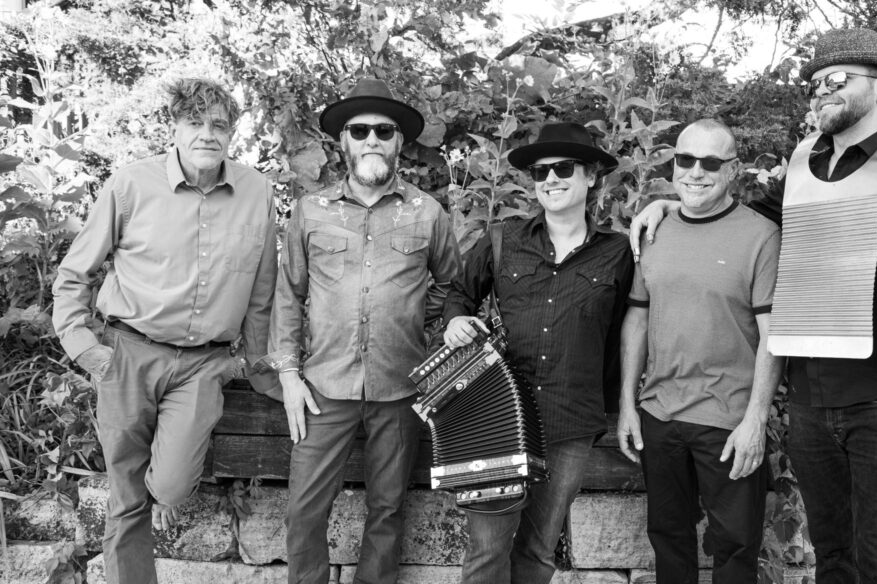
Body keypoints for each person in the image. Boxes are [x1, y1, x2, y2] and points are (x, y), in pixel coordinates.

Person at [630, 28, 877, 583]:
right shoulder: (801, 165)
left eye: (838, 78)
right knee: (834, 559)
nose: (823, 89)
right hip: (811, 398)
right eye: (817, 81)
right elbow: (735, 215)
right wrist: (668, 207)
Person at [51, 78, 280, 584]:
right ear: (174, 127)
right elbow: (74, 274)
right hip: (129, 353)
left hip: (204, 364)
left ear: (232, 132)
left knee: (172, 485)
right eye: (194, 122)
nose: (207, 134)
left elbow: (262, 293)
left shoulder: (257, 191)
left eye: (218, 124)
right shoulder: (130, 184)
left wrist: (260, 368)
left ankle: (164, 493)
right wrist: (86, 349)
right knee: (126, 496)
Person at [265, 77, 461, 584]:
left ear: (400, 142)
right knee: (304, 508)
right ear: (343, 141)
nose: (372, 139)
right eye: (359, 130)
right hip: (323, 388)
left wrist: (415, 316)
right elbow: (288, 295)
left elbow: (452, 285)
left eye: (384, 131)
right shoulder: (310, 211)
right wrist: (288, 374)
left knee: (388, 509)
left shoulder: (428, 213)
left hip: (399, 386)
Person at [442, 122, 633, 584]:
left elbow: (628, 332)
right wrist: (454, 321)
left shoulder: (620, 253)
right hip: (499, 419)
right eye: (540, 172)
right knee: (487, 549)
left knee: (539, 549)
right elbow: (457, 295)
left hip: (571, 421)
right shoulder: (503, 238)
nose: (550, 179)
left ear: (591, 176)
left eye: (563, 168)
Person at [616, 119, 783, 583]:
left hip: (728, 420)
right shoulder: (653, 231)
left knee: (736, 547)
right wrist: (628, 405)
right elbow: (637, 320)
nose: (695, 172)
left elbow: (773, 336)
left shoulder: (761, 236)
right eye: (685, 159)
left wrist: (756, 421)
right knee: (668, 539)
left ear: (733, 170)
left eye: (710, 162)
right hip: (659, 414)